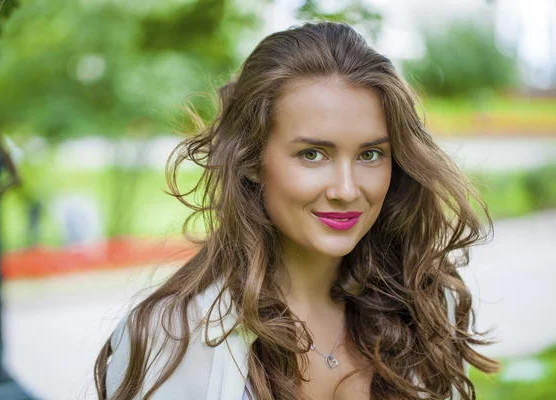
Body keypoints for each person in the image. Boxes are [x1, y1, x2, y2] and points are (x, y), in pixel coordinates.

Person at [94, 21, 500, 400]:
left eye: (371, 154)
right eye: (312, 154)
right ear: (251, 160)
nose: (346, 190)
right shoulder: (173, 337)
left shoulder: (425, 307)